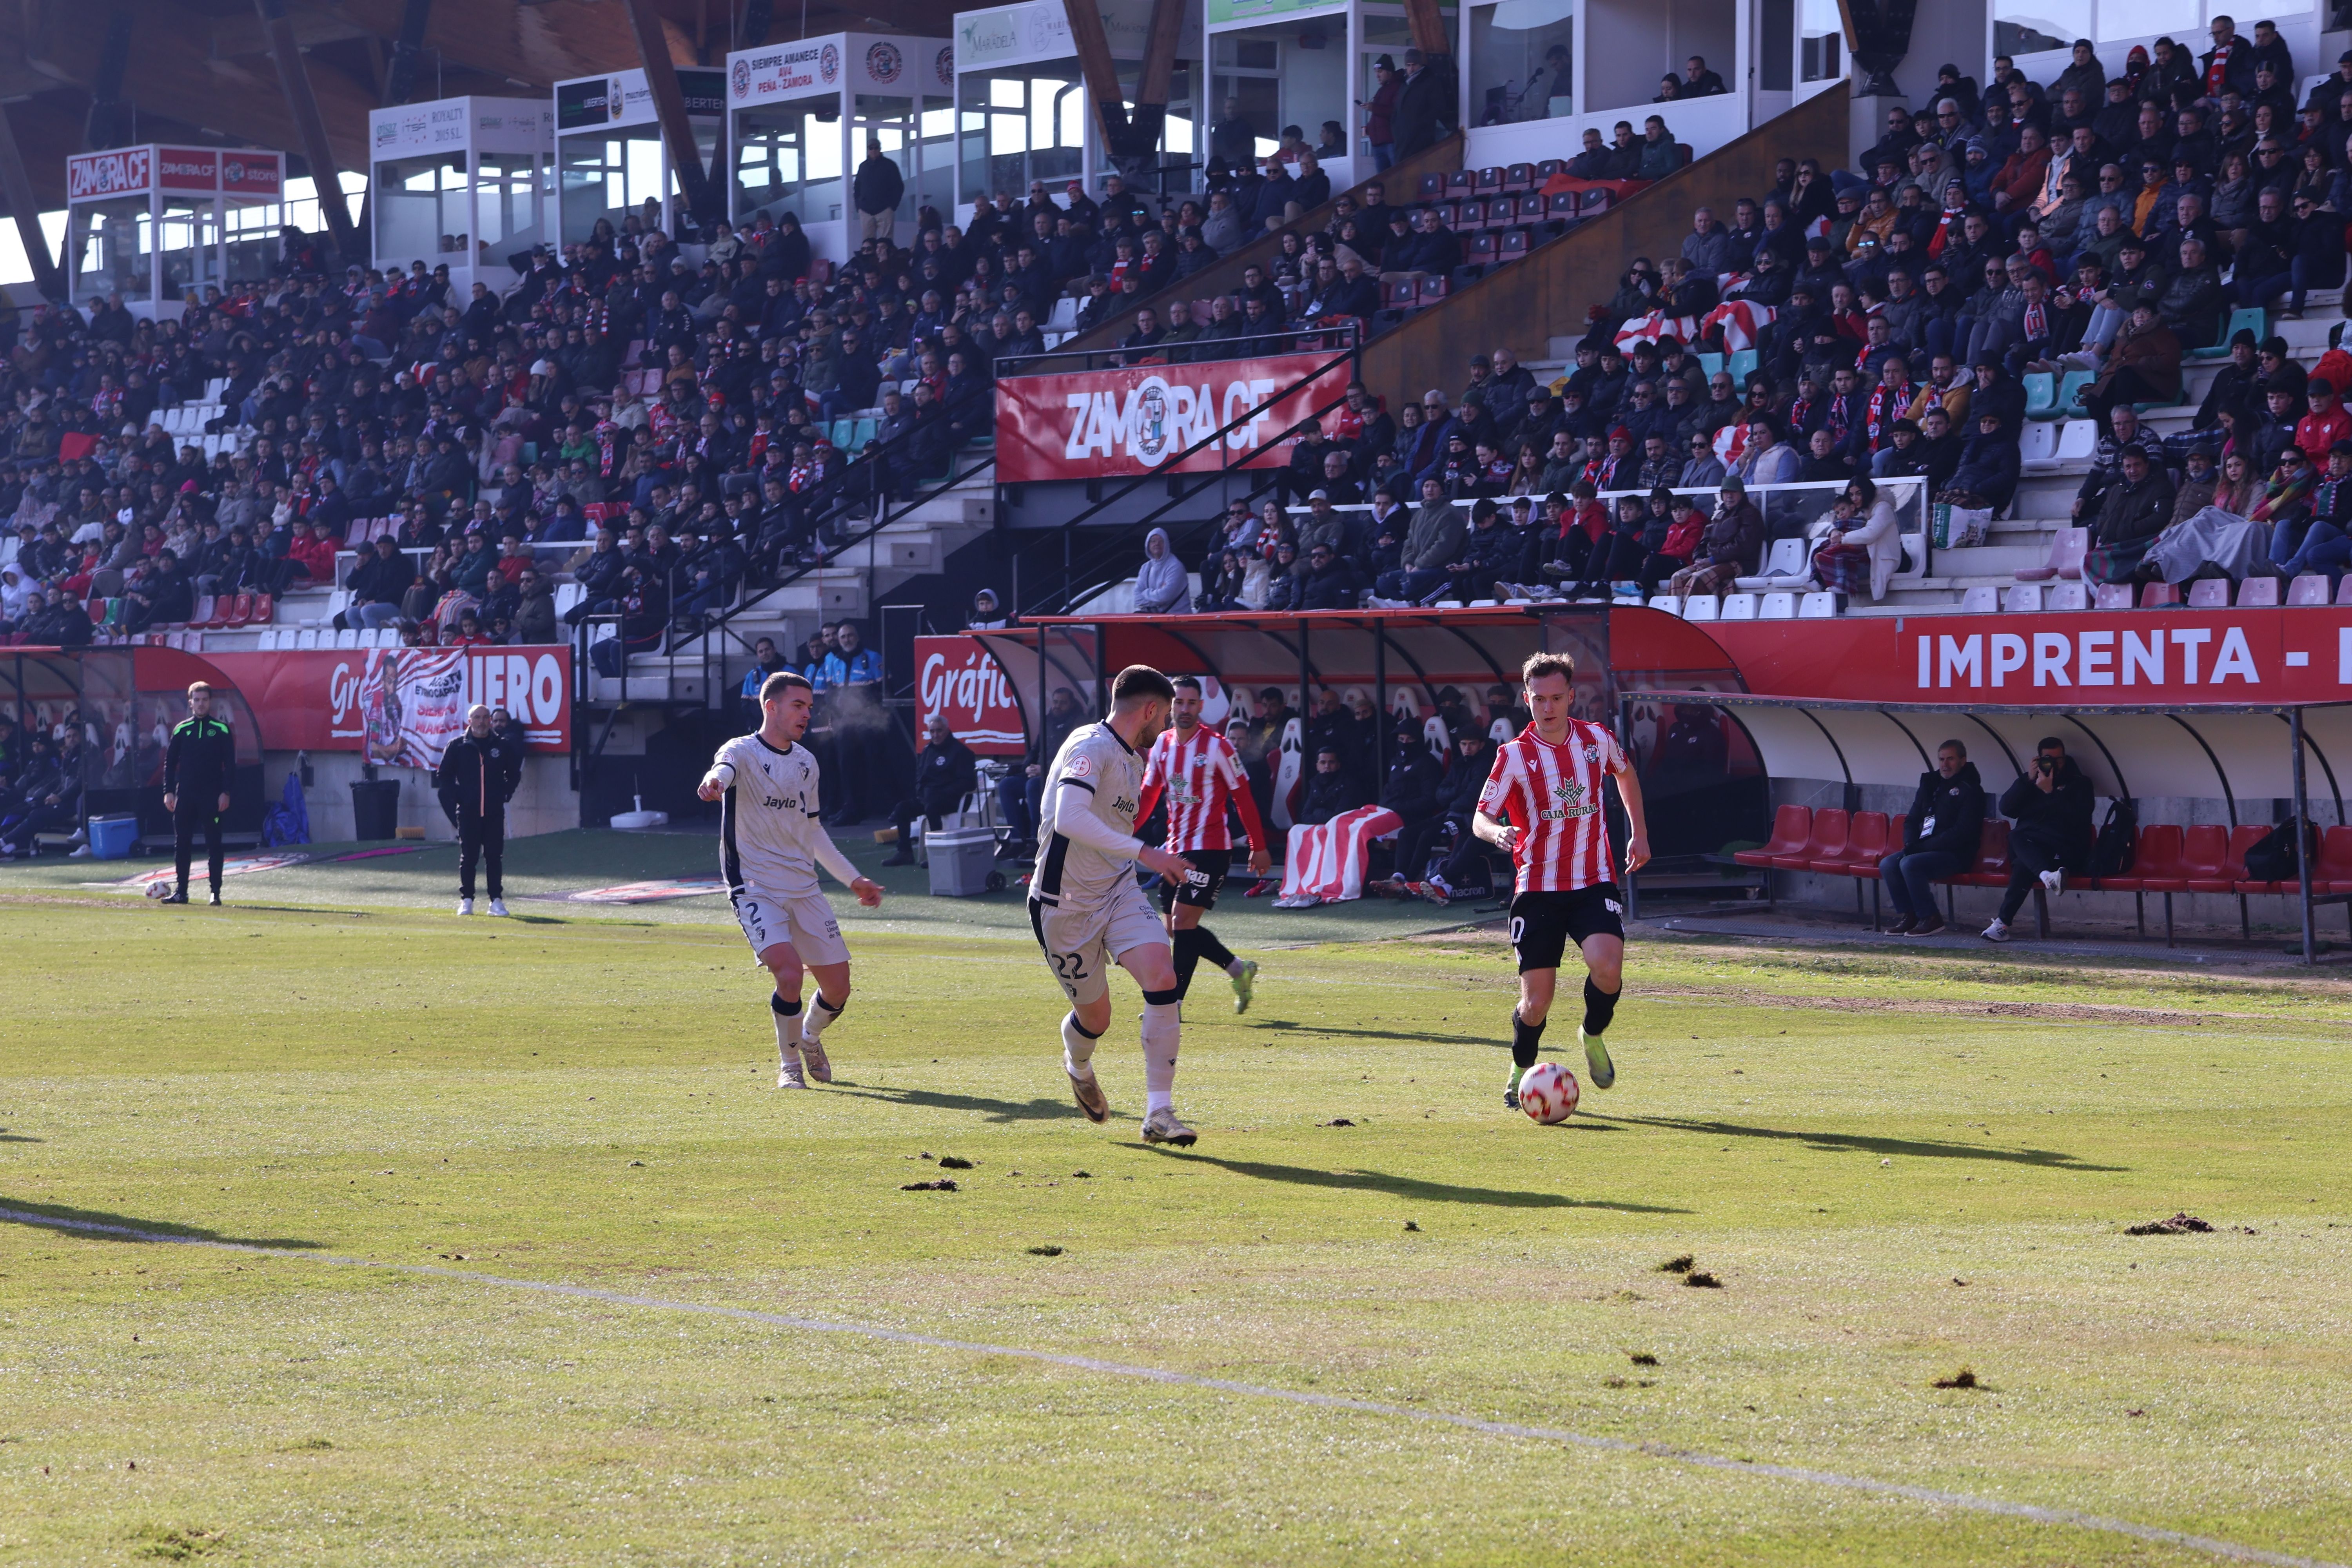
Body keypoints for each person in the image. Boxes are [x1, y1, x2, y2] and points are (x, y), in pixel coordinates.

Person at [1027, 664, 1202, 1144]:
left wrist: (1145, 856)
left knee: (1163, 977)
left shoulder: (1133, 757)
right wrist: (1147, 852)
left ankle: (1159, 1113)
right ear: (1149, 709)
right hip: (1063, 905)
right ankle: (1078, 1063)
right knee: (1096, 1019)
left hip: (1119, 889)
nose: (1167, 724)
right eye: (1165, 714)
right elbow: (1068, 818)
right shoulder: (1091, 747)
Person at [1473, 650, 1650, 1110]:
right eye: (1538, 699)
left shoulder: (1596, 740)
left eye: (1556, 698)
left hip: (1592, 881)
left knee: (1608, 969)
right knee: (1536, 1003)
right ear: (1526, 699)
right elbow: (1480, 816)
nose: (1548, 708)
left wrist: (1639, 833)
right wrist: (1498, 833)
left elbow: (1626, 773)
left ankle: (1591, 1035)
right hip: (1537, 889)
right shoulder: (1513, 756)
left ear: (1571, 697)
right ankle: (1519, 1071)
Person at [698, 671, 886, 1089]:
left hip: (804, 887)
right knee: (788, 972)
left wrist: (853, 879)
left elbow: (813, 830)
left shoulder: (806, 763)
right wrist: (714, 783)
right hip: (755, 885)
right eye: (798, 705)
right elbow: (723, 770)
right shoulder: (741, 751)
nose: (806, 714)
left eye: (810, 707)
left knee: (838, 987)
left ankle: (810, 1037)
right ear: (772, 707)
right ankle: (790, 1067)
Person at [1134, 676, 1272, 1013]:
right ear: (1170, 706)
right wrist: (1124, 833)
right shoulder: (1162, 745)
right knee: (1176, 927)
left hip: (1211, 849)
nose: (1185, 709)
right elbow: (1150, 794)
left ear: (1201, 706)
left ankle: (1172, 1003)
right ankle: (1239, 969)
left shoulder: (1218, 747)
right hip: (1175, 848)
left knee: (1182, 923)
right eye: (1179, 702)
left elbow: (1243, 797)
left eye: (1191, 703)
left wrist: (1259, 844)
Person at [1981, 737, 2094, 942]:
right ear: (2039, 759)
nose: (2054, 765)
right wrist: (2027, 781)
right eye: (2047, 759)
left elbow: (2078, 819)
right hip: (2035, 851)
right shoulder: (2030, 782)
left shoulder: (2080, 783)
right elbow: (2007, 809)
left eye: (2058, 760)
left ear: (2065, 758)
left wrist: (2050, 792)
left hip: (2065, 850)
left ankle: (2001, 924)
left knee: (2020, 854)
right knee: (2020, 845)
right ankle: (2046, 877)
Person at [1880, 739, 1986, 937]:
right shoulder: (1930, 785)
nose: (1945, 765)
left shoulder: (1971, 790)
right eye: (1941, 759)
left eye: (1951, 759)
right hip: (1924, 849)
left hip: (1957, 854)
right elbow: (1912, 820)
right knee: (1888, 864)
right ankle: (1910, 916)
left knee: (1909, 864)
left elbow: (1962, 833)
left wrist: (1921, 849)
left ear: (1963, 761)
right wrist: (1911, 843)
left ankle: (1931, 918)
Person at [434, 704, 524, 916]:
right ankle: (467, 900)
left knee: (494, 856)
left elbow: (514, 774)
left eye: (486, 718)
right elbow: (444, 776)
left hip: (493, 812)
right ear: (470, 721)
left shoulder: (502, 746)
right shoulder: (457, 746)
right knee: (469, 857)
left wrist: (505, 793)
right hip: (468, 812)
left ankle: (496, 901)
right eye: (477, 717)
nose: (482, 722)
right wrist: (460, 797)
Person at [162, 682, 235, 906]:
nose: (201, 704)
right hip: (186, 796)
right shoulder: (182, 729)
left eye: (205, 700)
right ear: (190, 702)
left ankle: (215, 892)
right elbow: (170, 763)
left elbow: (230, 765)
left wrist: (226, 792)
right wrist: (168, 792)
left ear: (210, 702)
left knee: (214, 844)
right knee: (182, 843)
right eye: (197, 700)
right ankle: (181, 892)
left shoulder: (221, 730)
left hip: (211, 797)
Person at [885, 713, 978, 867]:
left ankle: (937, 853)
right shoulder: (928, 750)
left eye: (939, 731)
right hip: (927, 798)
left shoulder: (961, 752)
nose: (935, 735)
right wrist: (921, 792)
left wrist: (943, 792)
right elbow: (919, 776)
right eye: (932, 731)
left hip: (951, 800)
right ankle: (905, 853)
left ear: (948, 731)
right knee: (902, 808)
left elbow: (968, 783)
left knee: (932, 807)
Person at [853, 137, 904, 245]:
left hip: (885, 210)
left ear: (880, 149)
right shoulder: (863, 167)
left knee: (886, 243)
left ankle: (886, 262)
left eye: (876, 148)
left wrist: (892, 207)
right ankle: (869, 263)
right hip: (866, 211)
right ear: (868, 150)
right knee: (867, 244)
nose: (874, 150)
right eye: (871, 148)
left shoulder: (890, 165)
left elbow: (899, 186)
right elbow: (857, 187)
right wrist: (859, 206)